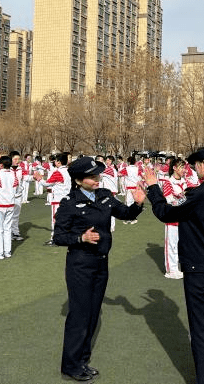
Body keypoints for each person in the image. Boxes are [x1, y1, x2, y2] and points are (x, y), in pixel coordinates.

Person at [143, 147, 204, 384]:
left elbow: (166, 213)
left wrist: (153, 186)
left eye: (195, 164)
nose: (194, 168)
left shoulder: (200, 193)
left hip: (199, 268)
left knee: (202, 330)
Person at [53, 156, 146, 381]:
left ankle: (82, 360)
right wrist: (80, 237)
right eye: (92, 176)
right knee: (80, 315)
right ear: (78, 180)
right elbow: (58, 237)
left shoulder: (104, 196)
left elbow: (126, 214)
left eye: (98, 175)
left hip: (101, 263)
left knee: (93, 314)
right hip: (80, 264)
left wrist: (138, 204)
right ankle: (70, 365)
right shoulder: (69, 202)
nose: (97, 179)